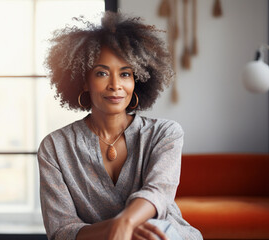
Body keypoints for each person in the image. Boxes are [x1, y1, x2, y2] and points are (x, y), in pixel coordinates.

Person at [38, 11, 203, 240]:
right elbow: (62, 231)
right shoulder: (55, 147)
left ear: (137, 80)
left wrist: (126, 222)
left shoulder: (164, 133)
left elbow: (158, 193)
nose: (115, 85)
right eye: (102, 73)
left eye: (125, 74)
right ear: (83, 81)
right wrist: (119, 230)